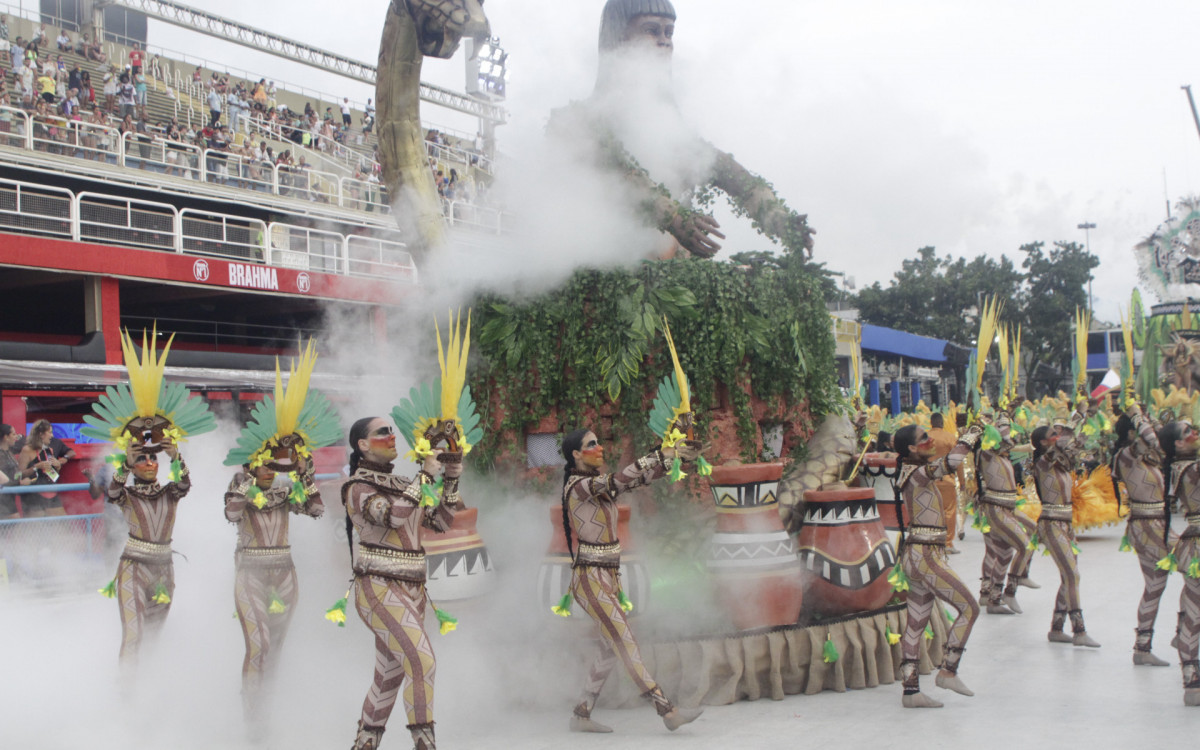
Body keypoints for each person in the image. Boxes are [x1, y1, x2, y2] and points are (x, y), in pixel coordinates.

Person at [558, 428, 703, 732]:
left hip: (607, 576)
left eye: (599, 441)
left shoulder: (597, 487)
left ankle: (581, 714)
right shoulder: (579, 486)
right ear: (575, 454)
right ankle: (667, 711)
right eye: (591, 444)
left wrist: (677, 460)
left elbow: (638, 479)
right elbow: (618, 479)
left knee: (611, 647)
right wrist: (660, 454)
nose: (599, 447)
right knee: (625, 642)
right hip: (590, 579)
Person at [343, 417, 463, 750]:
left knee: (388, 677)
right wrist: (425, 475)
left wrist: (451, 478)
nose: (392, 436)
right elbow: (393, 516)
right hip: (378, 587)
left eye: (392, 430)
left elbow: (440, 521)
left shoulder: (400, 482)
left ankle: (363, 745)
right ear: (362, 445)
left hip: (414, 588)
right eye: (382, 432)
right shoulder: (357, 486)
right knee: (422, 662)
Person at [891, 422, 981, 708]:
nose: (930, 441)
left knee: (915, 625)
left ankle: (911, 691)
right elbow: (952, 462)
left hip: (917, 556)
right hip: (925, 556)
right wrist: (971, 434)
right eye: (923, 438)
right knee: (970, 608)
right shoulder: (917, 473)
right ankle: (948, 670)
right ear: (911, 448)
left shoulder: (910, 472)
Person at [1029, 401, 1101, 647]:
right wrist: (1077, 415)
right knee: (1072, 574)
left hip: (1066, 524)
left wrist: (1082, 420)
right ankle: (1079, 631)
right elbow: (1065, 441)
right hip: (1051, 524)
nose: (1058, 437)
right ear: (1042, 443)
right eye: (1053, 435)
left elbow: (1074, 444)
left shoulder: (1059, 463)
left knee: (1068, 575)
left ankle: (1057, 628)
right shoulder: (1042, 462)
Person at [1112, 403, 1176, 665]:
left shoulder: (1147, 459)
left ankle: (1144, 647)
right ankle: (1180, 633)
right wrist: (1136, 414)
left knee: (1155, 586)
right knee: (1158, 584)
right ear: (1131, 435)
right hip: (1147, 527)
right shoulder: (1126, 457)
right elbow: (1153, 437)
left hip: (1157, 525)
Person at [974, 409, 1037, 615]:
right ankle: (1010, 590)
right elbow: (1000, 442)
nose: (1006, 433)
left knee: (1006, 552)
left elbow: (1010, 445)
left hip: (1009, 507)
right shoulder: (986, 453)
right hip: (994, 508)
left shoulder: (1003, 456)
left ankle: (994, 599)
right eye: (1002, 429)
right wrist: (998, 425)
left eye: (1008, 429)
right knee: (1024, 547)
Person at [1161, 420, 1200, 705]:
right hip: (1196, 548)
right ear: (1176, 444)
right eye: (1188, 432)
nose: (1195, 433)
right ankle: (1191, 679)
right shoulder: (1188, 469)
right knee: (1195, 614)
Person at [926, 413, 963, 553]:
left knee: (931, 511)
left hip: (928, 480)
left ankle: (931, 542)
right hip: (947, 480)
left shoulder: (925, 438)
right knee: (948, 511)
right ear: (942, 423)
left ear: (931, 423)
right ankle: (947, 543)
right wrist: (962, 481)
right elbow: (958, 462)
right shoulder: (950, 438)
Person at [17, 419, 63, 516]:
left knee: (63, 522)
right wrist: (36, 467)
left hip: (50, 491)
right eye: (50, 433)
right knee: (37, 527)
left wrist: (58, 467)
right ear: (41, 434)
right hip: (33, 494)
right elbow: (18, 475)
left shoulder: (49, 450)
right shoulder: (27, 450)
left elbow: (53, 476)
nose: (52, 436)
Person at [0, 423, 35, 516]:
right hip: (3, 498)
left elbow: (26, 441)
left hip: (10, 496)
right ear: (6, 437)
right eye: (14, 434)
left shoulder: (9, 451)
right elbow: (3, 480)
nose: (16, 437)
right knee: (15, 525)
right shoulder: (1, 455)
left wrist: (35, 468)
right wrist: (20, 482)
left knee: (14, 526)